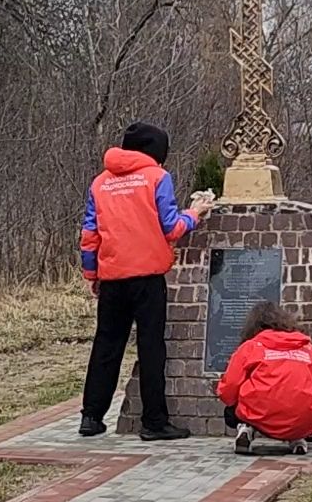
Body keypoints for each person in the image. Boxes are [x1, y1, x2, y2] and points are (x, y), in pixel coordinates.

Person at [78, 122, 214, 441]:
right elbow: (171, 229)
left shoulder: (100, 183)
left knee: (106, 345)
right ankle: (153, 422)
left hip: (112, 277)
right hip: (148, 279)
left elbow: (89, 234)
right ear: (156, 151)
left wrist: (92, 274)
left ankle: (91, 417)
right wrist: (194, 213)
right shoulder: (157, 177)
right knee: (151, 346)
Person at [216, 302, 312, 455]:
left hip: (261, 414)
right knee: (299, 409)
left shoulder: (251, 347)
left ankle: (245, 429)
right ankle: (298, 438)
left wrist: (235, 403)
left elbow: (229, 387)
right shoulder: (306, 347)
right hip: (306, 416)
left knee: (231, 411)